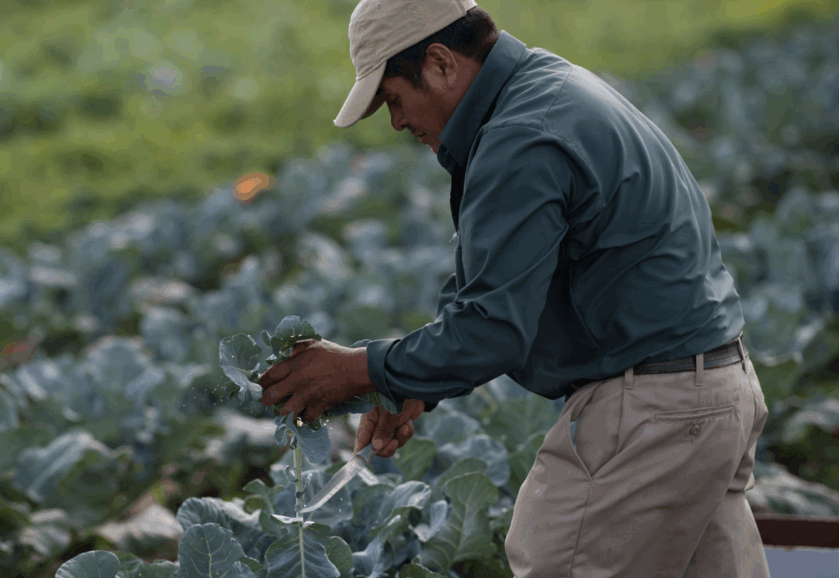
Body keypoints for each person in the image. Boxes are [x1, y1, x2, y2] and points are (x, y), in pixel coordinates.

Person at [257, 0, 771, 575]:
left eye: (394, 99)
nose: (396, 122)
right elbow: (499, 280)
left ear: (440, 63)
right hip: (715, 393)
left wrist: (360, 369)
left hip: (652, 411)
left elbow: (492, 328)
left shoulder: (521, 136)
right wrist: (409, 383)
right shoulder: (548, 89)